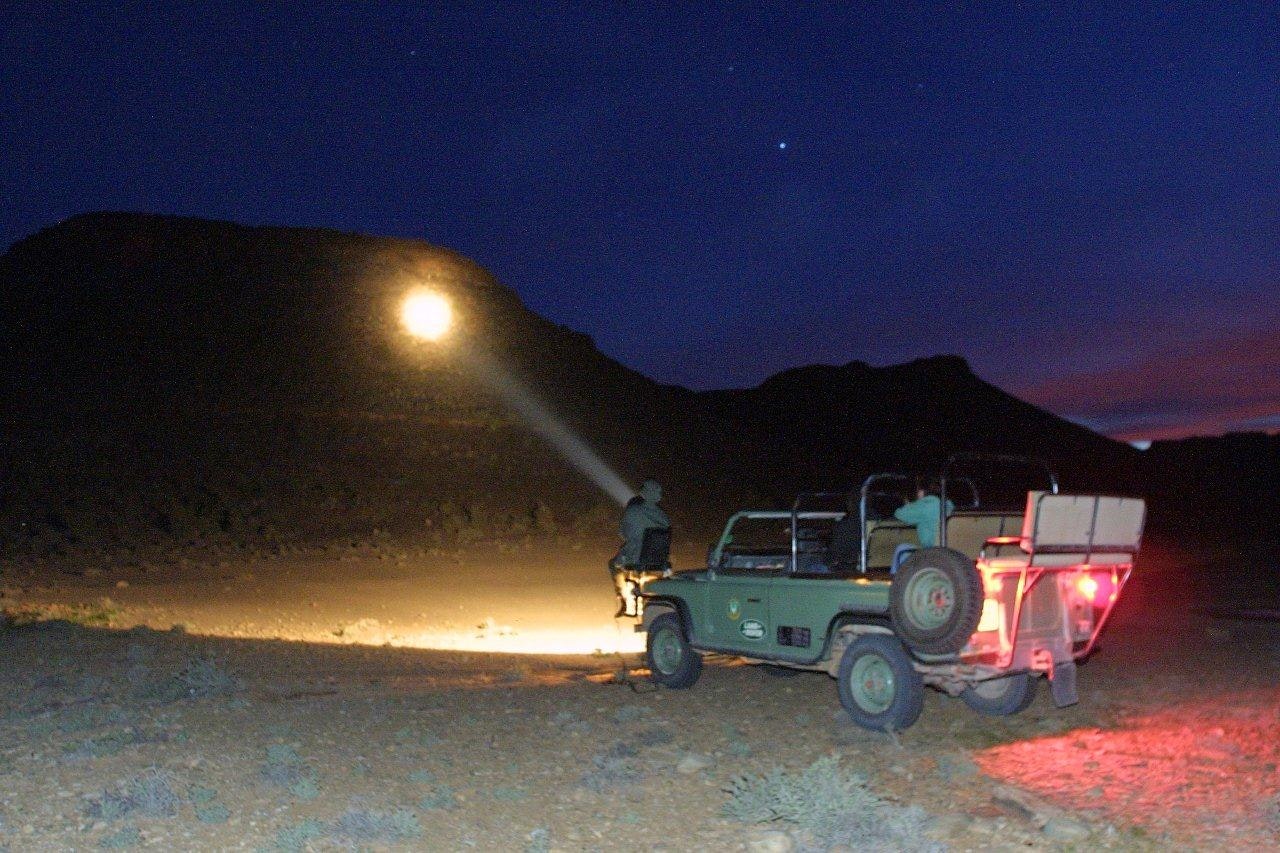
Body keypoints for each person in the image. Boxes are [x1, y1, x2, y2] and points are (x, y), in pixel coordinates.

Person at [609, 479, 670, 617]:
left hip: (636, 557)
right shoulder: (662, 515)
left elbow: (623, 534)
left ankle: (623, 599)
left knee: (614, 564)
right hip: (659, 559)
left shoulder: (633, 510)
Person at [892, 478, 954, 571]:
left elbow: (900, 514)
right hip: (950, 551)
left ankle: (896, 579)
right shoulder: (949, 504)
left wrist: (907, 504)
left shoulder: (925, 505)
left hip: (933, 551)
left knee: (901, 549)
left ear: (921, 492)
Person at [828, 493, 861, 573]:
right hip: (877, 565)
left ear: (851, 503)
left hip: (850, 567)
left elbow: (836, 553)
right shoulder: (879, 522)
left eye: (848, 502)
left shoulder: (845, 526)